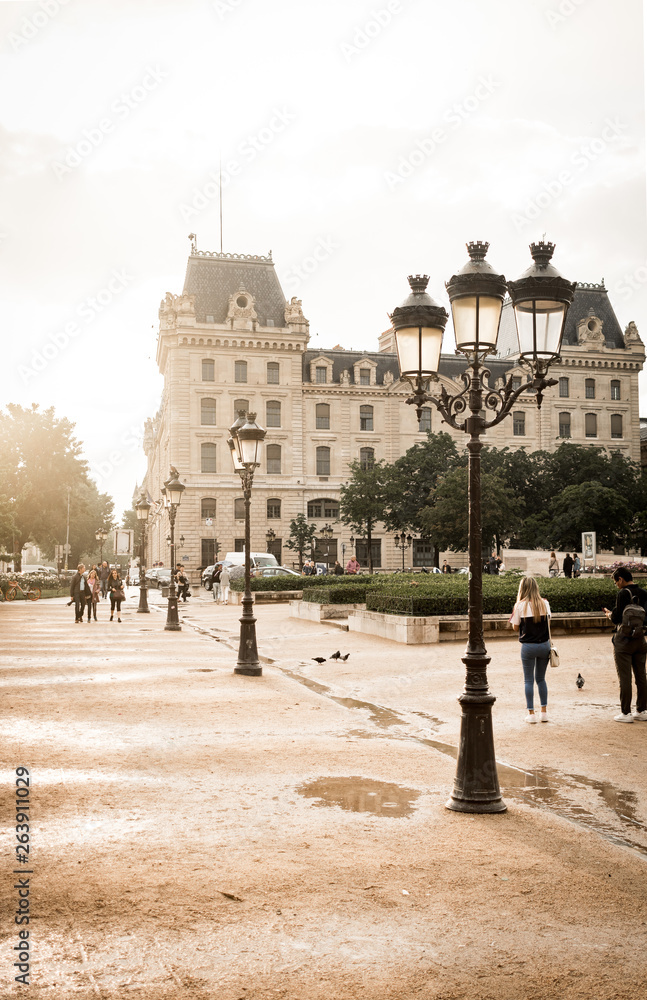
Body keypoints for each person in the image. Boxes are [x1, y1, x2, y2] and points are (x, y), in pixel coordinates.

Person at [603, 567, 647, 723]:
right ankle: (642, 710)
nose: (616, 585)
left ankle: (626, 713)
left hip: (624, 641)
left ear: (621, 579)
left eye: (616, 581)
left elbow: (616, 618)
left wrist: (609, 614)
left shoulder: (623, 594)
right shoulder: (643, 593)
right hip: (640, 640)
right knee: (641, 676)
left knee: (625, 678)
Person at [509, 576, 551, 724]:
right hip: (544, 645)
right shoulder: (545, 603)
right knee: (541, 679)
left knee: (528, 680)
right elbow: (548, 622)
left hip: (528, 646)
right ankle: (544, 713)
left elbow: (515, 627)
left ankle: (531, 714)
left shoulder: (519, 605)